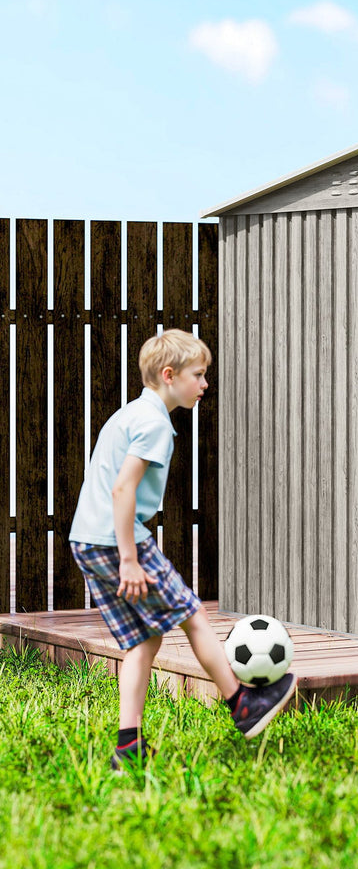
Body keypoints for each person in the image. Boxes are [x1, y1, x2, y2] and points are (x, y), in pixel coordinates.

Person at [69, 328, 295, 770]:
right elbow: (122, 490)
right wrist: (130, 559)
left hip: (87, 540)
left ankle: (128, 746)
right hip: (118, 541)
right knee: (192, 614)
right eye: (199, 374)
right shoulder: (154, 424)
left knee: (144, 639)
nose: (205, 384)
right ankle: (242, 704)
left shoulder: (131, 413)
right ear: (169, 375)